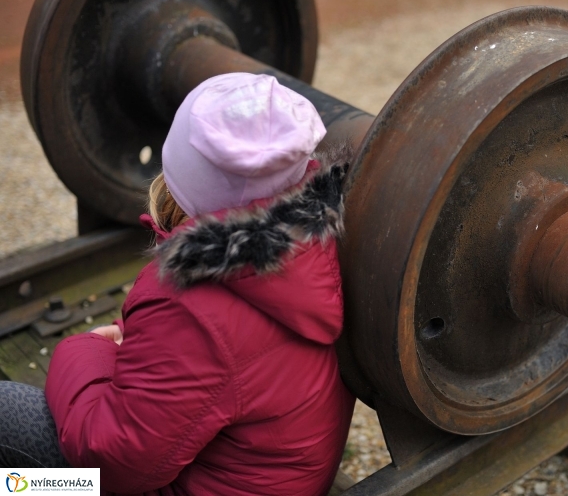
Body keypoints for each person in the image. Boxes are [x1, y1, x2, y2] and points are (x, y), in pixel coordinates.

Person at [0, 72, 355, 495]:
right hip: (265, 476)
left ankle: (18, 488)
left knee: (8, 425)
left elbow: (109, 462)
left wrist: (85, 349)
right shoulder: (312, 244)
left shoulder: (189, 304)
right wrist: (141, 339)